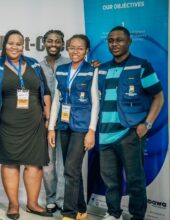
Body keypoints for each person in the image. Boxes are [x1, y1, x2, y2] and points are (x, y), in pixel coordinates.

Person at [0, 30, 52, 220]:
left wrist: (48, 119)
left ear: (23, 45)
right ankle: (13, 204)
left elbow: (45, 92)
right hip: (5, 124)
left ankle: (33, 204)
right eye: (11, 43)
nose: (15, 47)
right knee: (10, 163)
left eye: (19, 44)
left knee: (35, 164)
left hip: (34, 123)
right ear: (5, 45)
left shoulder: (34, 65)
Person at [98, 26, 164, 220]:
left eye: (119, 40)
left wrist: (148, 124)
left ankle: (137, 216)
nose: (114, 44)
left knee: (135, 180)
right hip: (105, 133)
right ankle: (113, 213)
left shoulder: (141, 65)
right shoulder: (101, 69)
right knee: (110, 180)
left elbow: (158, 97)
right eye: (111, 40)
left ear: (129, 42)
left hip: (130, 133)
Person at [48, 34, 99, 220]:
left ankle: (68, 213)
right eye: (71, 47)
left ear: (86, 51)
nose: (75, 51)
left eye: (79, 48)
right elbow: (56, 100)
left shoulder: (92, 70)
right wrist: (51, 127)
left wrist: (91, 130)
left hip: (82, 126)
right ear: (67, 49)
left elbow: (95, 102)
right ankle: (81, 210)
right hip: (63, 124)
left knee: (70, 169)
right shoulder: (60, 70)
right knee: (73, 170)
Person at [40, 29, 71, 214]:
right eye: (49, 41)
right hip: (45, 122)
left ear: (62, 43)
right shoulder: (38, 65)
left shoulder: (70, 63)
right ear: (44, 42)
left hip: (67, 121)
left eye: (57, 41)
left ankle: (62, 199)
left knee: (65, 163)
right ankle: (50, 198)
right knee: (49, 163)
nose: (53, 44)